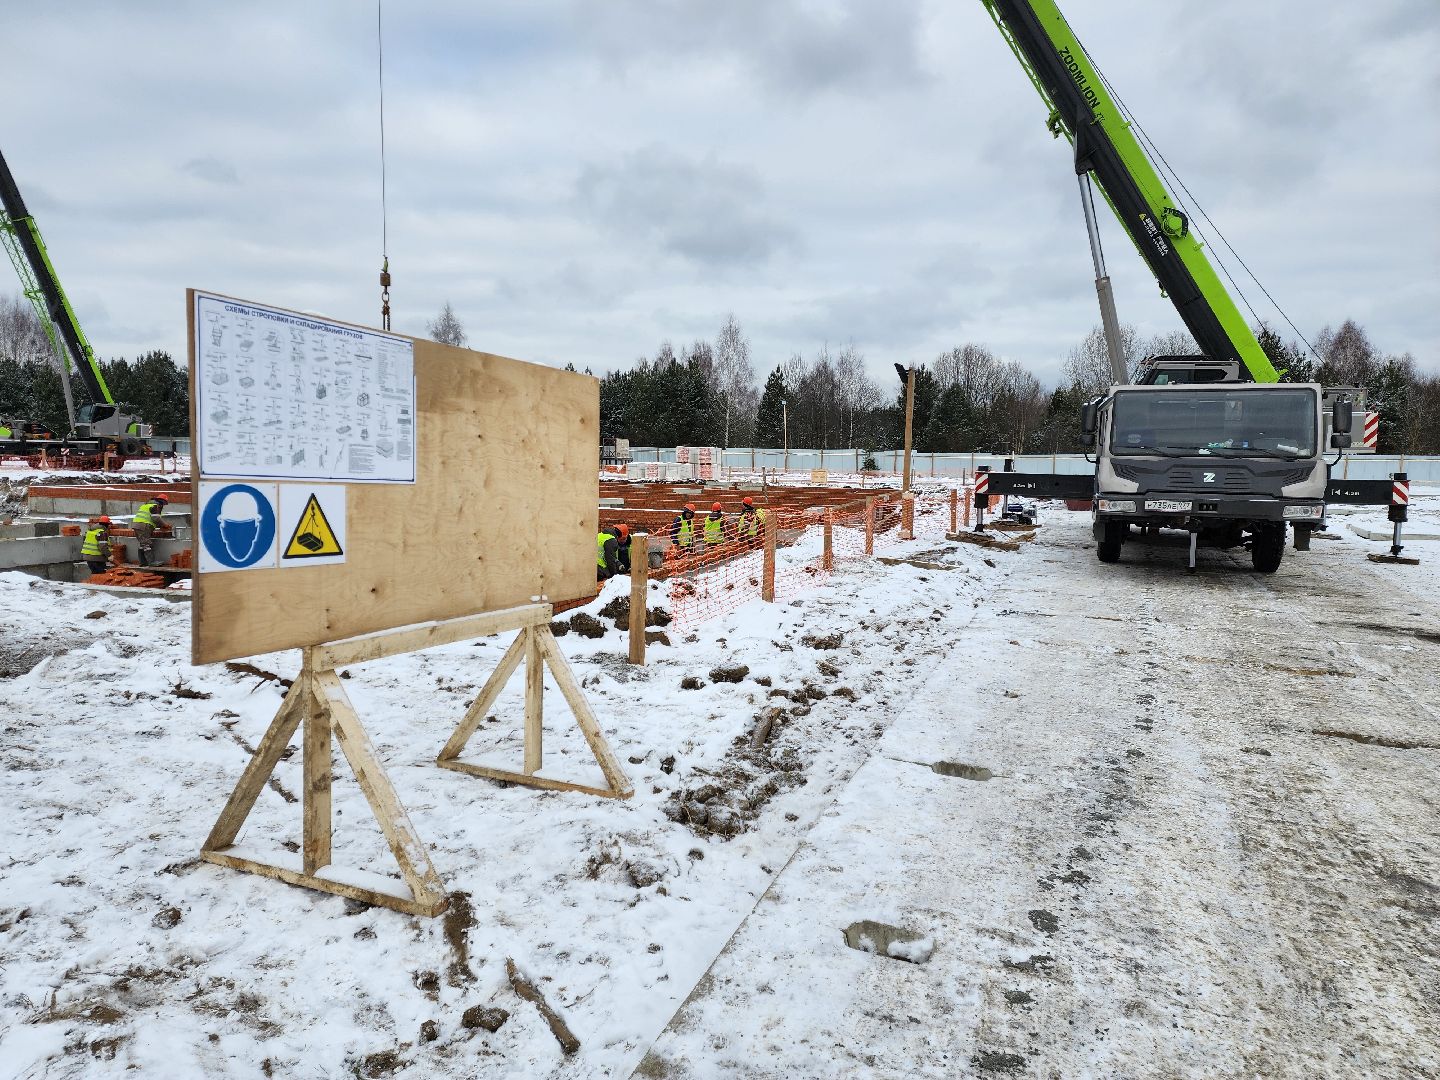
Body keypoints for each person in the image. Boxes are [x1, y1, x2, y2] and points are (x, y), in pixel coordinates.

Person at [132, 494, 168, 566]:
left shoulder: (146, 505)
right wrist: (165, 525)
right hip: (144, 525)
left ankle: (143, 562)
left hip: (137, 525)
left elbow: (151, 518)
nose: (163, 506)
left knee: (143, 544)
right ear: (161, 501)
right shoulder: (155, 506)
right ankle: (151, 562)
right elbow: (156, 519)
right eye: (163, 504)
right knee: (147, 544)